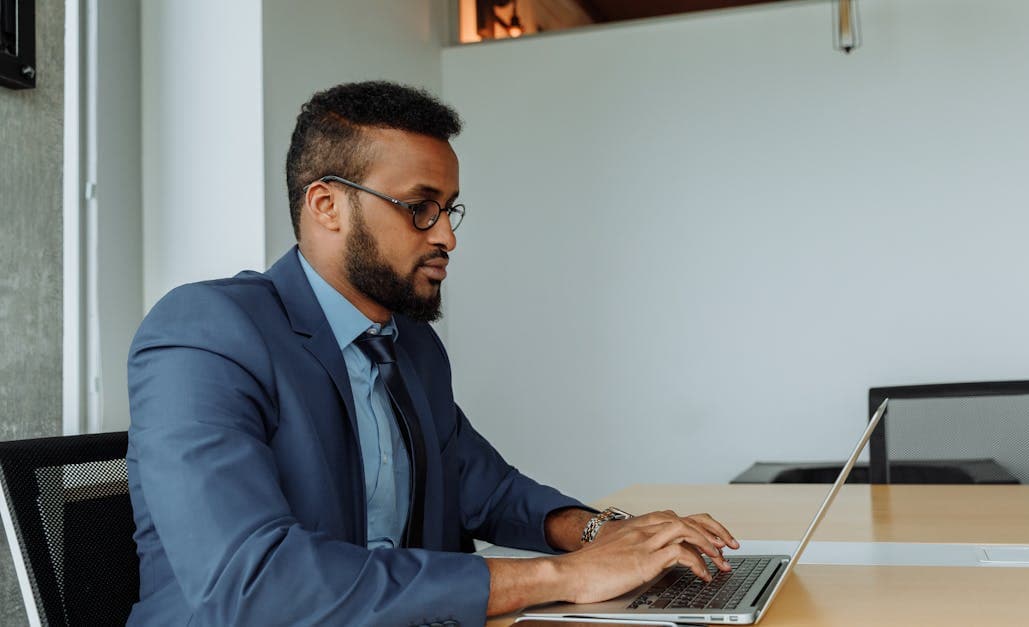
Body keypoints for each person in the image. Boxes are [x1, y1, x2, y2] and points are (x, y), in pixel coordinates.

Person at [126, 81, 739, 626]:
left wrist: (610, 534)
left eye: (449, 210)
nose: (445, 235)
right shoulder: (207, 332)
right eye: (419, 207)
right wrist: (568, 576)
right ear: (326, 205)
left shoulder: (410, 343)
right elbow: (253, 584)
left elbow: (485, 489)